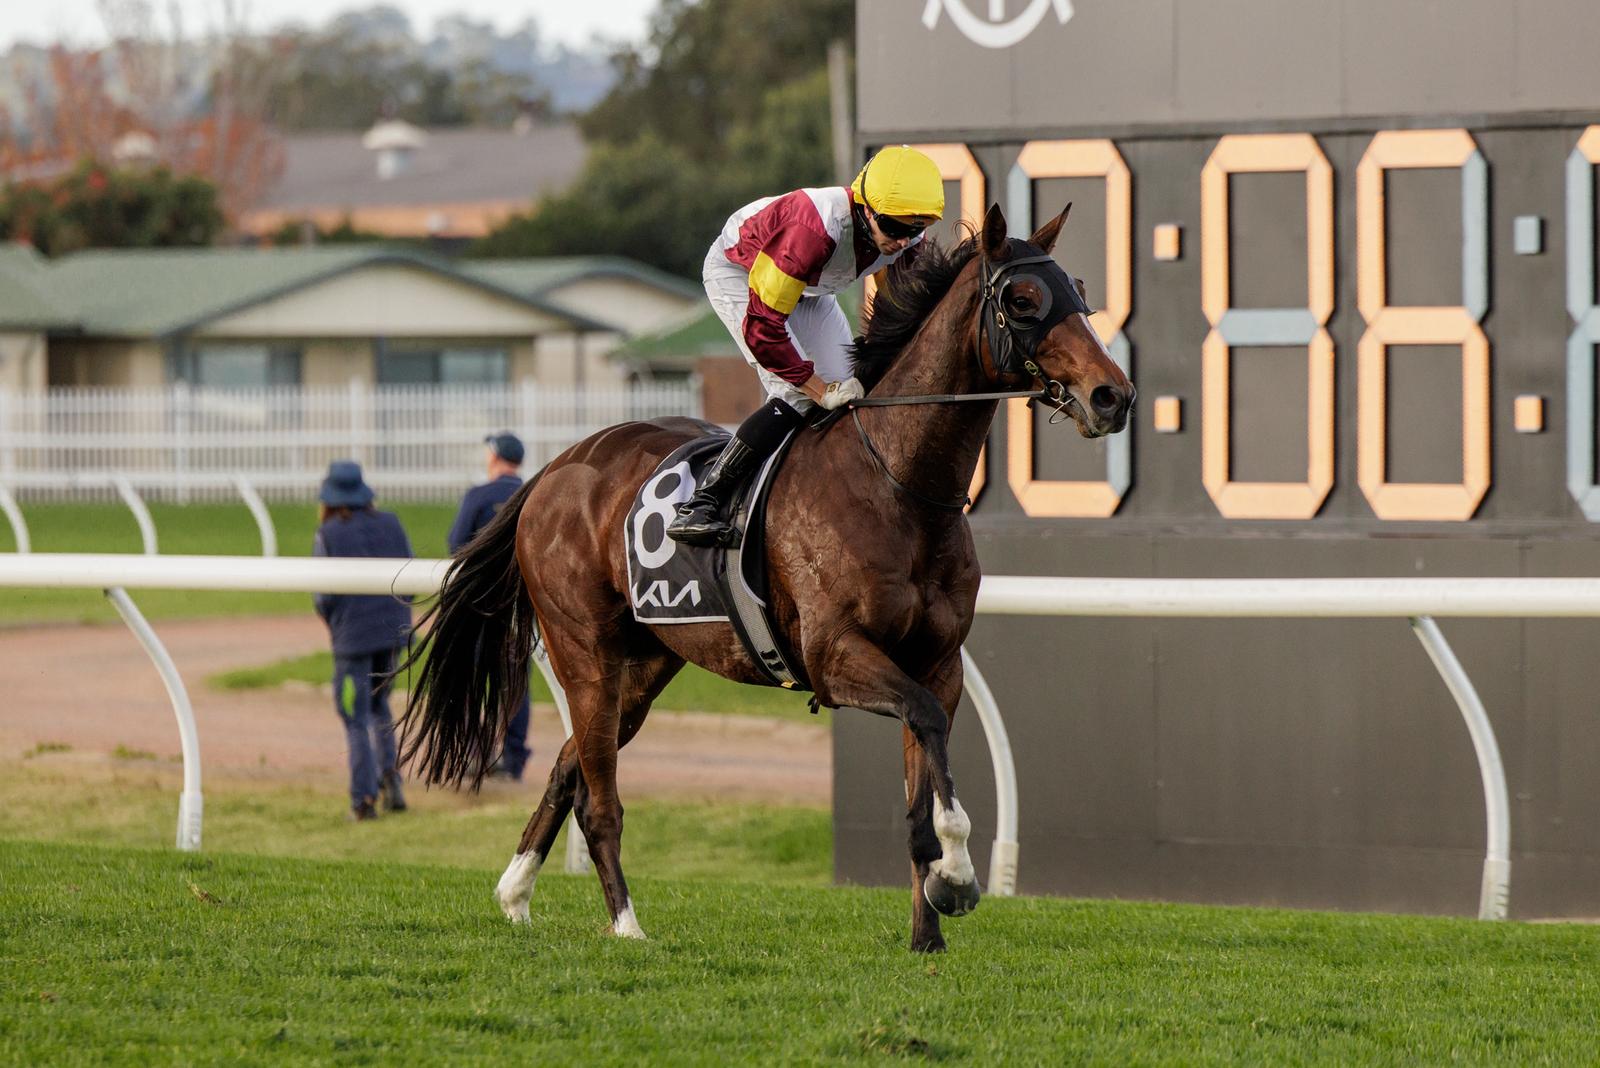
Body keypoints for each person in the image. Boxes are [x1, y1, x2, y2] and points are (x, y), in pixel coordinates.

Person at [667, 144, 946, 547]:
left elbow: (897, 309)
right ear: (866, 209)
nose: (903, 240)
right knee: (797, 394)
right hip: (741, 274)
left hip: (808, 287)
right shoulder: (813, 229)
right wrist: (818, 388)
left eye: (914, 230)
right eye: (893, 227)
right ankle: (703, 502)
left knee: (853, 388)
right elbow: (764, 329)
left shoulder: (904, 237)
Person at [312, 460, 414, 821]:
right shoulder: (391, 523)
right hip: (393, 632)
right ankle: (391, 781)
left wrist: (337, 623)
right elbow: (411, 575)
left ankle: (363, 799)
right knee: (379, 706)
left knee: (353, 715)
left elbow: (323, 596)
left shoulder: (328, 534)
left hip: (352, 638)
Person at [448, 431, 530, 781]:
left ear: (494, 456)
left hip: (481, 604)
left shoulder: (479, 495)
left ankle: (474, 754)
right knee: (515, 682)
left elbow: (456, 543)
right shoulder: (531, 492)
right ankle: (513, 759)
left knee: (473, 679)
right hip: (521, 603)